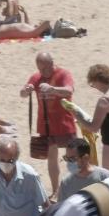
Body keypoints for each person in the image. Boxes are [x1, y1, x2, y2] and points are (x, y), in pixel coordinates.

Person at [21, 52, 75, 195]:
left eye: (45, 68)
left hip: (65, 122)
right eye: (40, 69)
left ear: (52, 63)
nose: (43, 72)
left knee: (74, 156)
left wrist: (52, 89)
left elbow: (69, 90)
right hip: (46, 125)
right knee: (52, 158)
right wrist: (27, 90)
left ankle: (76, 185)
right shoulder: (36, 77)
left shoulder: (63, 74)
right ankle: (56, 189)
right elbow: (22, 93)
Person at [58, 137, 109, 202]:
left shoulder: (105, 177)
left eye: (72, 159)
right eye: (66, 158)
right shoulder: (66, 182)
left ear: (85, 158)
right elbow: (61, 208)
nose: (69, 162)